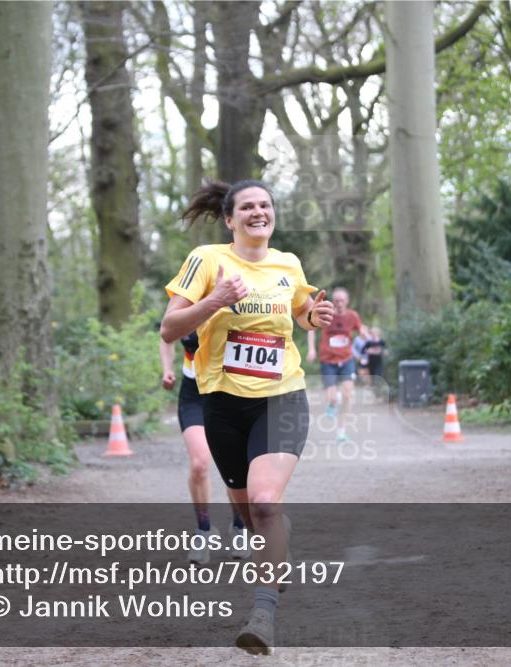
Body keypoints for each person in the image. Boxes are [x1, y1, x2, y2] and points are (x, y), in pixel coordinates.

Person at [160, 179, 335, 655]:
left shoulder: (288, 263)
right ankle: (277, 536)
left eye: (266, 205)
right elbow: (170, 328)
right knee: (249, 511)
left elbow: (301, 312)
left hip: (281, 397)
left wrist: (314, 317)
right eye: (248, 207)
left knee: (262, 503)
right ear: (229, 218)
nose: (259, 212)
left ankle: (262, 615)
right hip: (222, 403)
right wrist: (216, 299)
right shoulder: (207, 259)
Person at [159, 333, 249, 565]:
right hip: (194, 393)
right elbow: (167, 333)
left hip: (230, 391)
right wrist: (167, 368)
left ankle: (240, 526)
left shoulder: (234, 297)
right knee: (199, 464)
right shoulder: (185, 298)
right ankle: (203, 529)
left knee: (235, 465)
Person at [306, 287, 368, 443]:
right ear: (333, 301)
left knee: (348, 394)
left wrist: (363, 332)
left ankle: (341, 431)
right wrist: (312, 349)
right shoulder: (326, 313)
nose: (339, 303)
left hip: (346, 359)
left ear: (347, 301)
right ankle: (332, 402)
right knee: (332, 397)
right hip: (328, 360)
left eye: (342, 300)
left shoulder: (352, 316)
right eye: (336, 300)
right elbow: (311, 328)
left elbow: (361, 328)